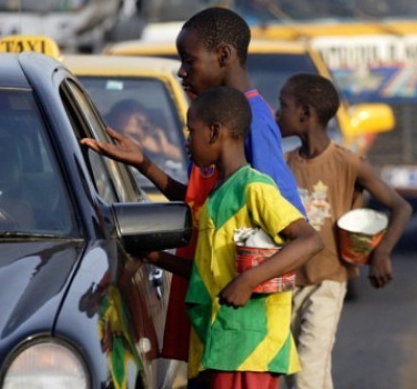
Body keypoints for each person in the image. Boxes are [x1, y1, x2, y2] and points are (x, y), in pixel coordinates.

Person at [80, 6, 306, 368]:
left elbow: (283, 220)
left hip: (241, 327)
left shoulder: (253, 122)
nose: (182, 71)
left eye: (188, 61)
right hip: (217, 307)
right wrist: (144, 164)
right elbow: (210, 204)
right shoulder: (216, 126)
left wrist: (249, 281)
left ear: (223, 56)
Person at [138, 87, 324, 388]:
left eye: (191, 131)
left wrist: (248, 281)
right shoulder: (216, 195)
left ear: (214, 132)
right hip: (220, 342)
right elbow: (208, 275)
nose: (186, 141)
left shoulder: (254, 188)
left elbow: (310, 240)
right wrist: (158, 259)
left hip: (250, 347)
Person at [275, 73, 412, 389]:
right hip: (287, 281)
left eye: (283, 105)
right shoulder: (283, 164)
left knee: (308, 371)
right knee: (300, 370)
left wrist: (382, 253)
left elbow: (401, 206)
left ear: (306, 113)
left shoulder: (348, 163)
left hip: (328, 281)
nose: (277, 112)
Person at [106, 99, 183, 162]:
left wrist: (164, 149)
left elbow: (185, 159)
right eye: (137, 120)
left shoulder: (152, 145)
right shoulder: (107, 141)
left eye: (144, 122)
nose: (140, 127)